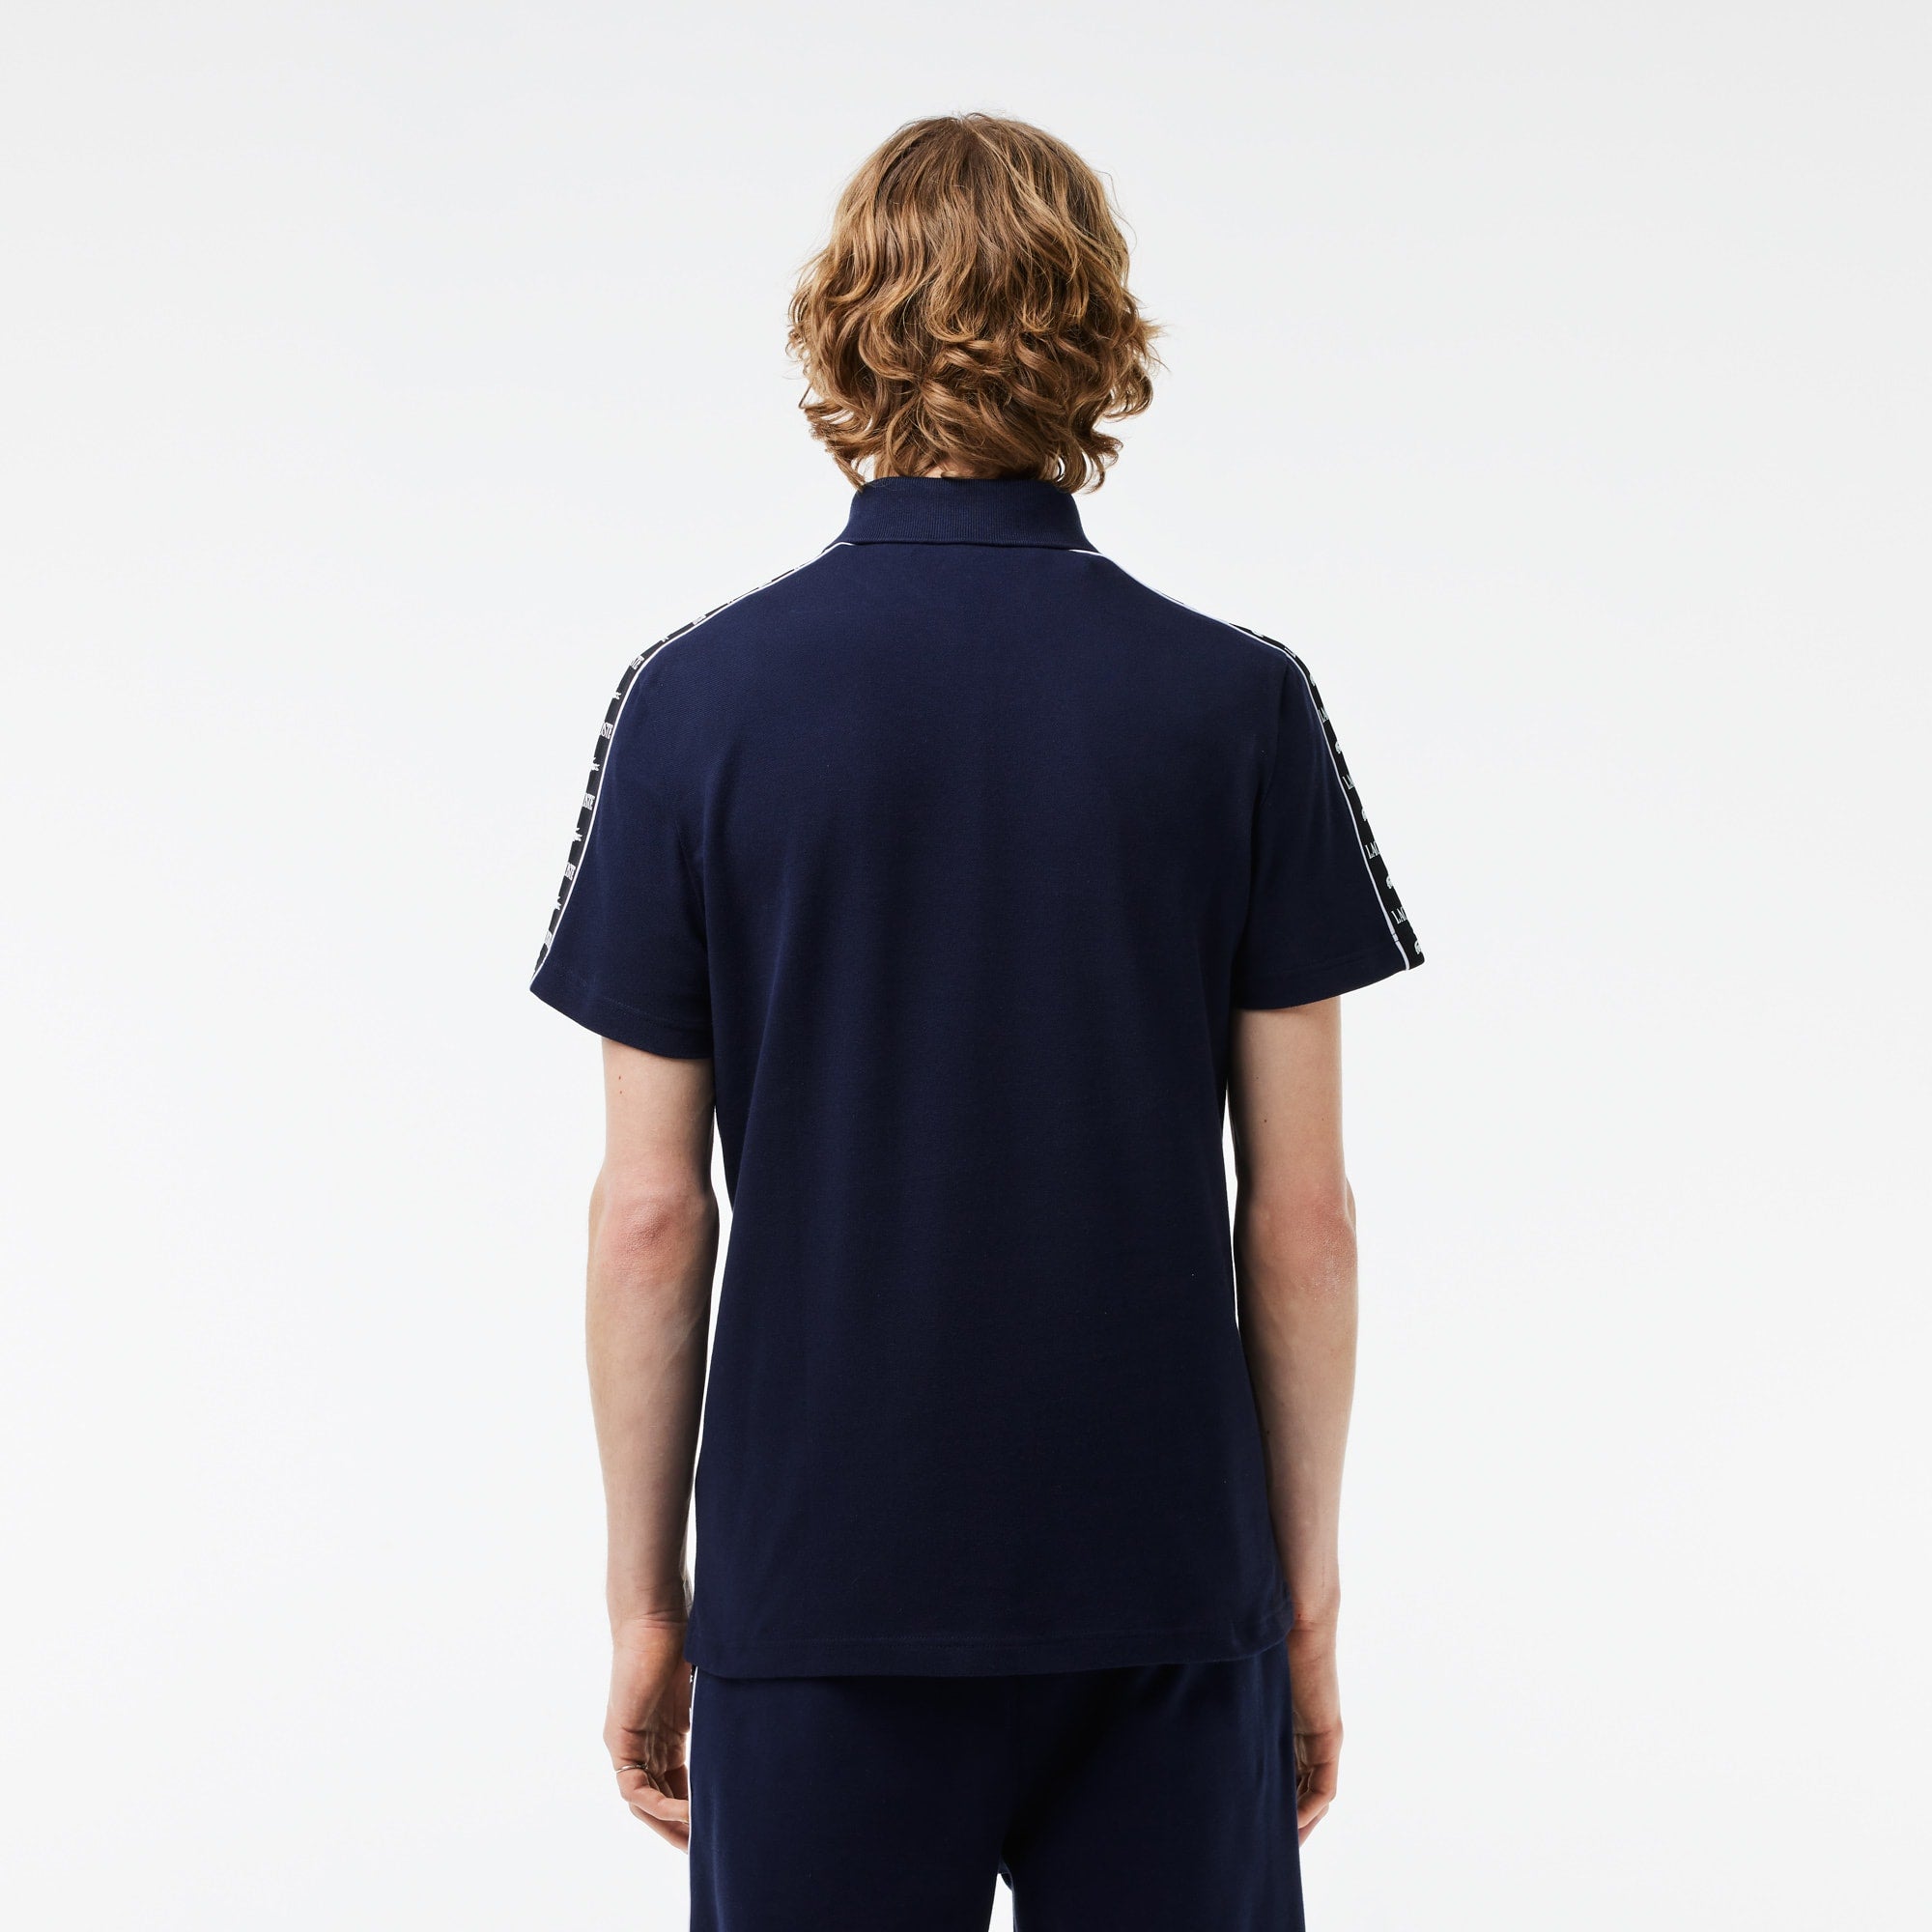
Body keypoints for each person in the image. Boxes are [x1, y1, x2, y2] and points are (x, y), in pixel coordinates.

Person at [530, 113, 1421, 1932]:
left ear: (844, 329)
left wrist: (646, 1602)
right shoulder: (1240, 707)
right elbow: (1304, 1217)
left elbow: (649, 1217)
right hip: (1165, 1581)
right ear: (1098, 331)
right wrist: (1303, 1602)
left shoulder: (695, 706)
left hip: (817, 1584)